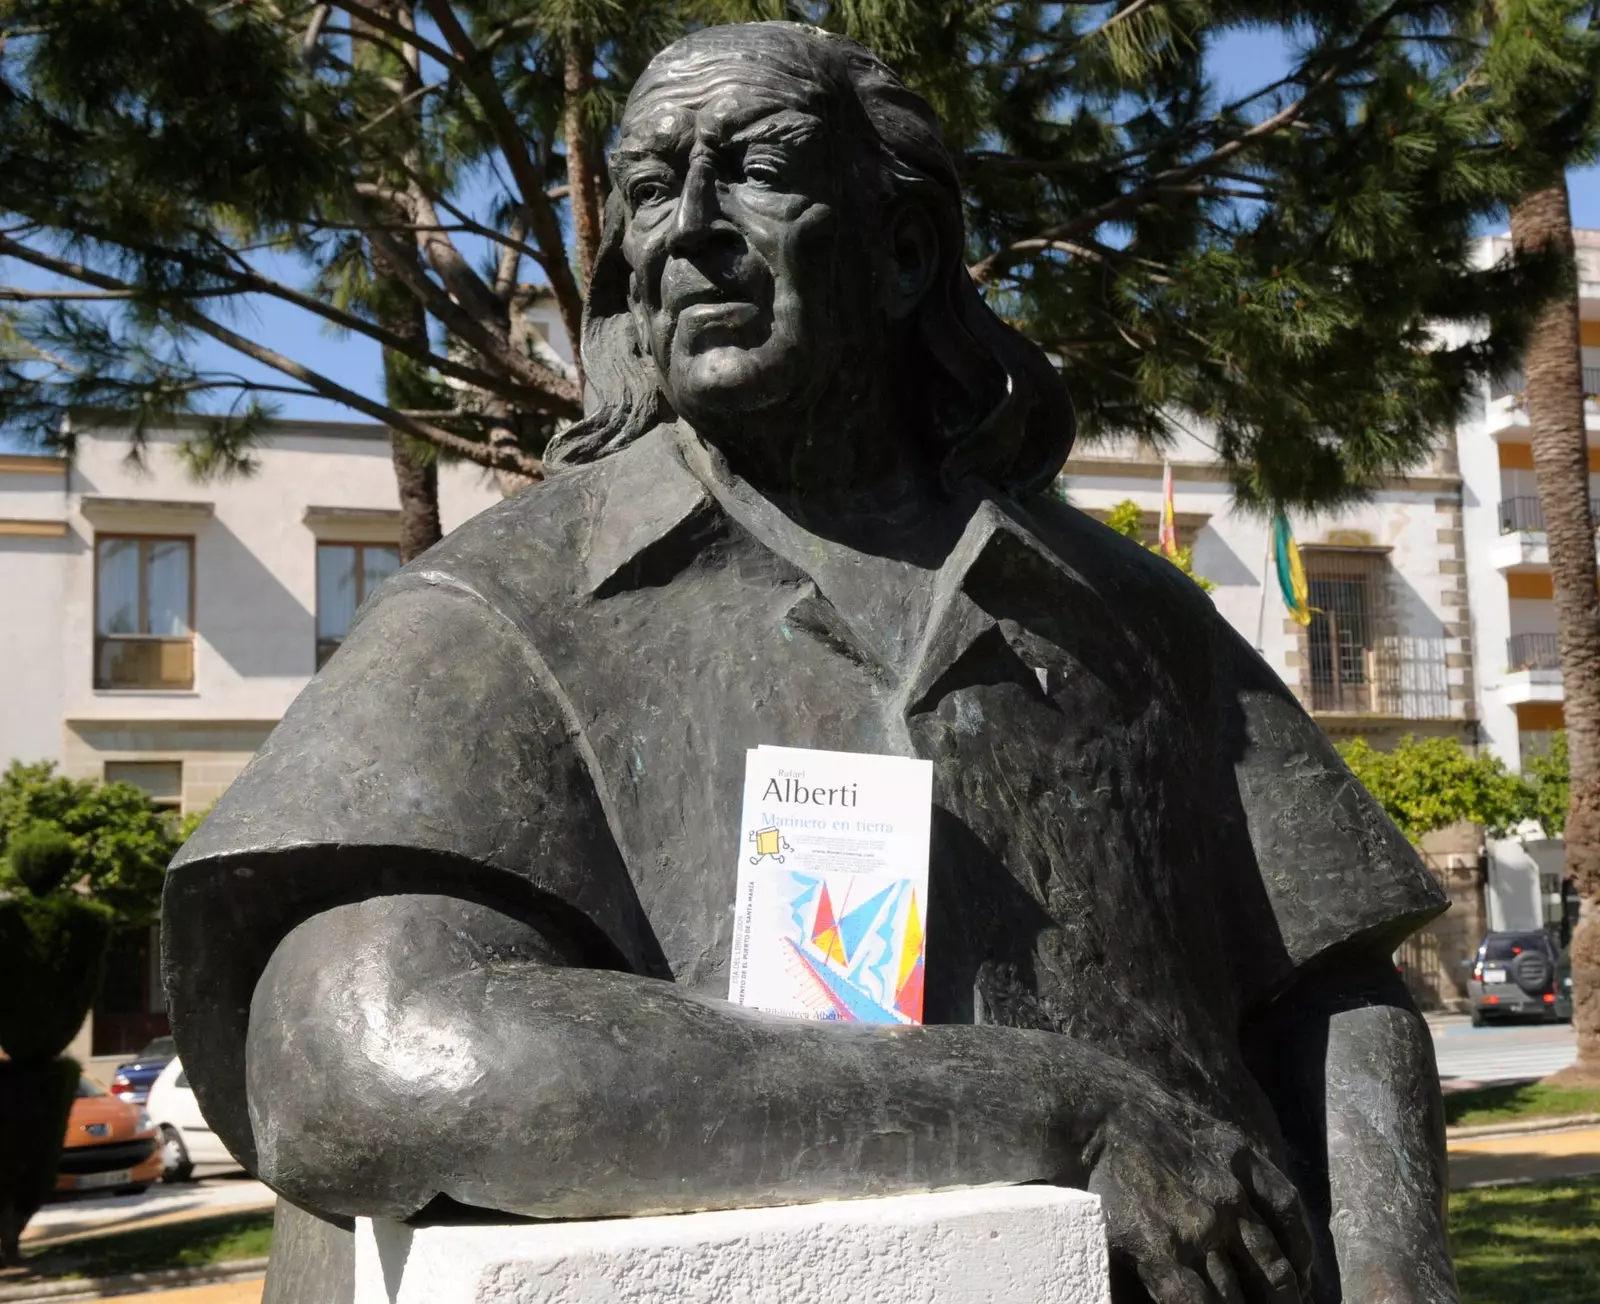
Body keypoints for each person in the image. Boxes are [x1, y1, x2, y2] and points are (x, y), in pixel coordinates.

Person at [163, 22, 1456, 1304]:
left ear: (904, 250)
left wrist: (1400, 1281)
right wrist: (1045, 1106)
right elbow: (367, 1059)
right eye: (652, 189)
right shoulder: (494, 611)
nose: (691, 228)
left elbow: (1334, 992)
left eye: (760, 168)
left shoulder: (1130, 613)